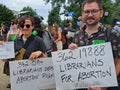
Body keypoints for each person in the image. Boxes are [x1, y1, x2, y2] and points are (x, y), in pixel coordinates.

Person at [68, 0, 120, 90]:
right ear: (82, 13)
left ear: (101, 13)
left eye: (94, 11)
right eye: (87, 11)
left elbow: (118, 62)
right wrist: (71, 52)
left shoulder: (112, 34)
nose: (90, 15)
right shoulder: (77, 34)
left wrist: (104, 86)